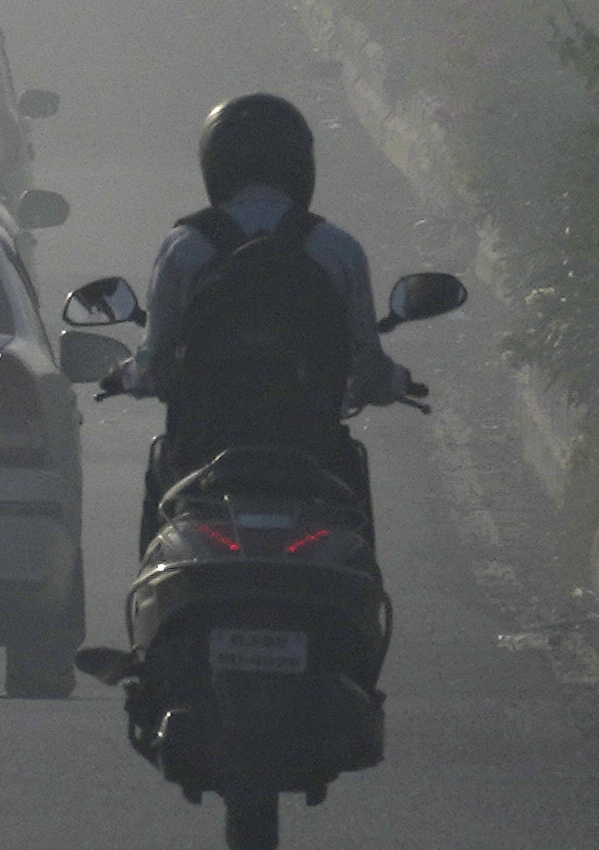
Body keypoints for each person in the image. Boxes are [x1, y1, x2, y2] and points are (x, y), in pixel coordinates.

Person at [126, 90, 403, 540]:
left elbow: (155, 365)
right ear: (301, 164)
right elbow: (368, 364)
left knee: (162, 473)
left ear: (214, 164)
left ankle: (144, 600)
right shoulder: (337, 249)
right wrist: (391, 383)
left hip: (203, 458)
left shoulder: (185, 247)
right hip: (315, 456)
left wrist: (130, 376)